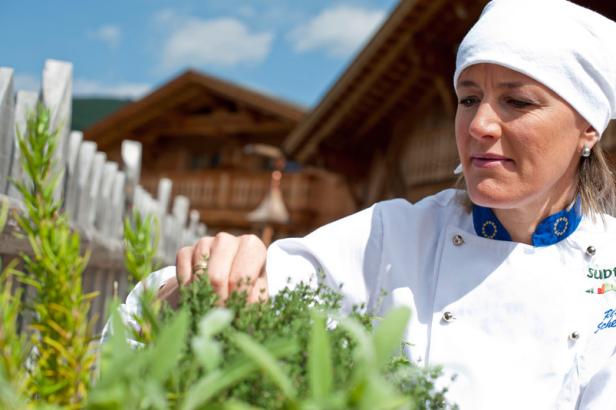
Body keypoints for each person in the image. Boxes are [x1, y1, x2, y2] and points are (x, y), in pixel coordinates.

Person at [121, 0, 616, 408]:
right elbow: (141, 319)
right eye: (468, 99)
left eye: (518, 102)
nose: (480, 124)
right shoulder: (393, 236)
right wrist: (198, 285)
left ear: (588, 128)